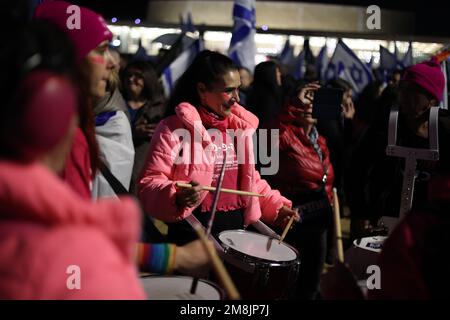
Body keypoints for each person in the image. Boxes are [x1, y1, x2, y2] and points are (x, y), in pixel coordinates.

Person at [138, 50, 299, 246]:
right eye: (228, 90)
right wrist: (177, 195)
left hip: (236, 234)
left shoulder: (237, 127)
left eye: (238, 89)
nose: (237, 98)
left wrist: (277, 207)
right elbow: (149, 183)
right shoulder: (172, 127)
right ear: (202, 90)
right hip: (193, 235)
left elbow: (250, 182)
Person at [348, 58, 450, 233]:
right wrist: (360, 213)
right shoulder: (384, 126)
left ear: (431, 99)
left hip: (430, 226)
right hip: (383, 220)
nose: (403, 96)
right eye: (402, 89)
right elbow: (356, 169)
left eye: (412, 91)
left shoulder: (446, 131)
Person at [267, 82, 335, 299]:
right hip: (292, 222)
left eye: (315, 102)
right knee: (287, 286)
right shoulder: (285, 135)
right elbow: (266, 140)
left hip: (318, 222)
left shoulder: (321, 140)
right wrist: (294, 105)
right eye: (306, 101)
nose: (309, 106)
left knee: (312, 286)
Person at [121, 60, 166, 193]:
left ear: (148, 78)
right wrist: (133, 132)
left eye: (137, 75)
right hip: (119, 165)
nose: (131, 79)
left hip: (147, 169)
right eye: (128, 75)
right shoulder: (115, 103)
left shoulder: (161, 107)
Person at [246, 60, 284, 128]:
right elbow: (267, 124)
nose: (280, 74)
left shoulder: (255, 94)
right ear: (270, 74)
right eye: (277, 72)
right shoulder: (267, 98)